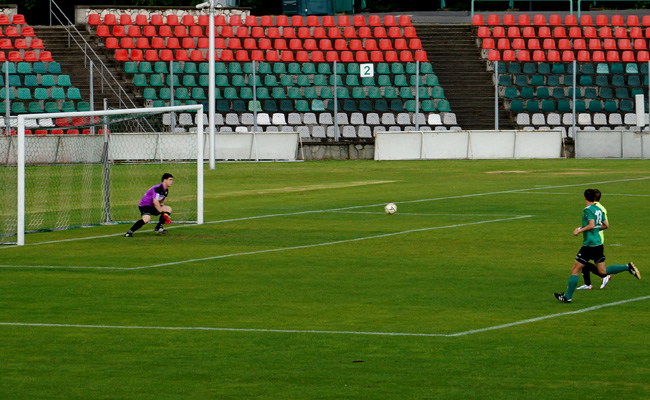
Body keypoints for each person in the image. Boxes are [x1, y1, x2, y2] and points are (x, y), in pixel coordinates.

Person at [554, 189, 641, 303]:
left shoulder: (587, 210)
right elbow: (606, 225)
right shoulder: (599, 209)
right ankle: (627, 267)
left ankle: (567, 297)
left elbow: (591, 225)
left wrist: (579, 230)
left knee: (575, 269)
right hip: (598, 244)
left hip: (589, 245)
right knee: (602, 272)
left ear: (585, 197)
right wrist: (595, 229)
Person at [577, 189, 611, 290]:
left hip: (594, 239)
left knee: (581, 263)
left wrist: (580, 230)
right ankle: (588, 284)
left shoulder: (593, 208)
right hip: (594, 238)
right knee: (583, 262)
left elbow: (595, 224)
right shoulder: (599, 207)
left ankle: (605, 276)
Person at [124, 173, 173, 237]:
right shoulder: (157, 188)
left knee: (168, 209)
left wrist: (165, 214)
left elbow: (161, 202)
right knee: (146, 219)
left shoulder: (166, 190)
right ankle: (129, 232)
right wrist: (162, 212)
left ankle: (159, 227)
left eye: (172, 180)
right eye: (170, 180)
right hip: (145, 206)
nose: (172, 181)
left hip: (153, 206)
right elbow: (155, 201)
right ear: (164, 180)